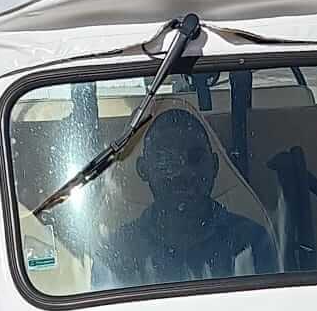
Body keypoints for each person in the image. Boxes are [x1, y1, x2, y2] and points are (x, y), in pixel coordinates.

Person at [90, 109, 276, 290]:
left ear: (214, 166)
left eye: (195, 158)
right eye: (167, 160)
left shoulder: (251, 242)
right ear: (143, 169)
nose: (183, 172)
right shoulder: (115, 253)